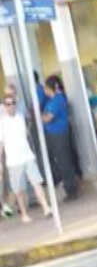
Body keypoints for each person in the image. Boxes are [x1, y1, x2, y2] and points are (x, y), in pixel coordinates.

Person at [2, 91, 52, 223]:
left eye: (13, 103)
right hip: (13, 161)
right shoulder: (2, 123)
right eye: (8, 104)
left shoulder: (20, 118)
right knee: (19, 190)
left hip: (27, 156)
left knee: (37, 183)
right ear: (4, 106)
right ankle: (23, 213)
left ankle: (46, 207)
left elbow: (26, 134)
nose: (11, 106)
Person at [39, 75, 81, 200]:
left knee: (65, 162)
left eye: (46, 87)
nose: (45, 90)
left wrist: (41, 116)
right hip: (54, 135)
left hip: (59, 135)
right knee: (61, 162)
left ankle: (71, 190)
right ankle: (69, 187)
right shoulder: (51, 101)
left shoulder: (57, 100)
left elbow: (48, 118)